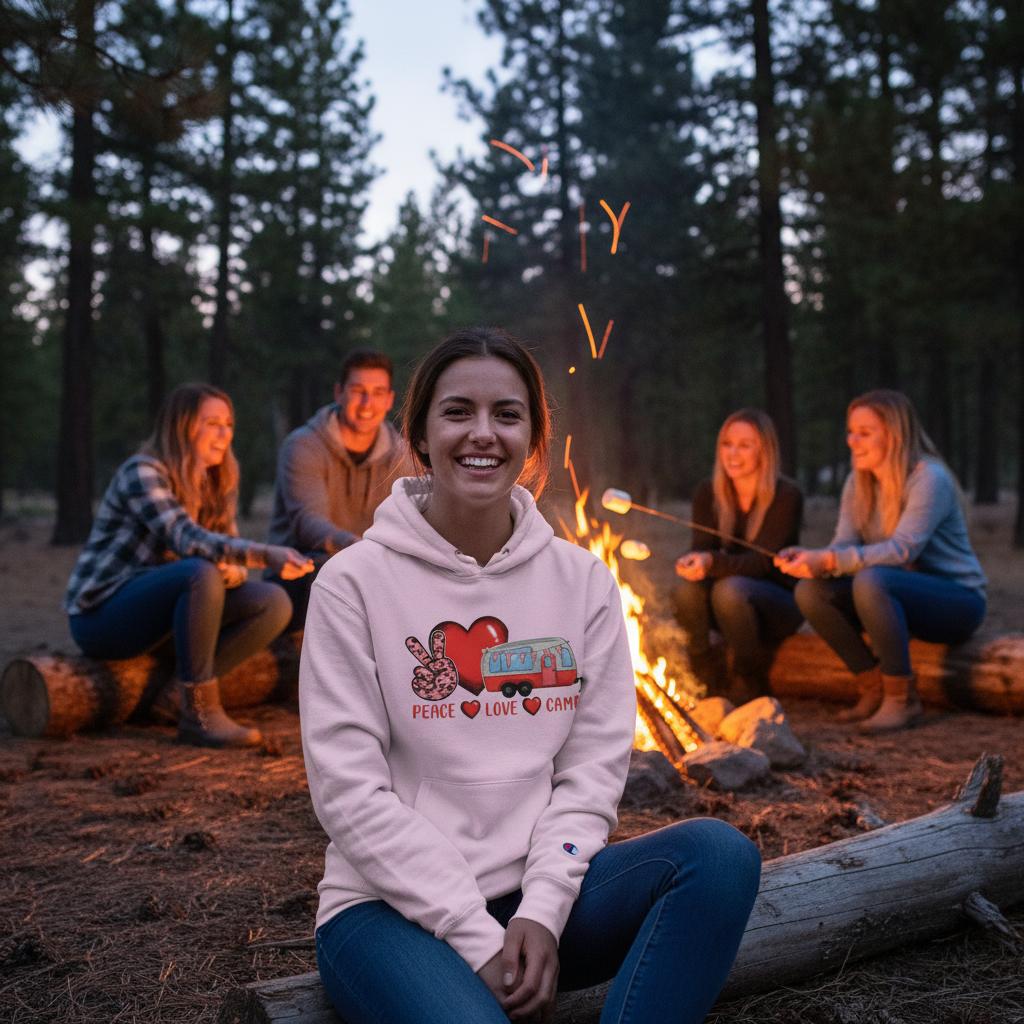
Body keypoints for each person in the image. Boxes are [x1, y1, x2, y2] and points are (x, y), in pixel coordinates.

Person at [300, 327, 760, 1024]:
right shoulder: (353, 585)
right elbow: (349, 795)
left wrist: (543, 911)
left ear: (534, 437)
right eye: (457, 411)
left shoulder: (581, 583)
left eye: (506, 414)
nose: (482, 434)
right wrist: (475, 934)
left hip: (543, 898)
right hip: (387, 911)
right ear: (420, 434)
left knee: (718, 858)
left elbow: (591, 774)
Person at [64, 383, 313, 748]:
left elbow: (229, 563)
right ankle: (199, 715)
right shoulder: (143, 472)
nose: (223, 433)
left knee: (273, 601)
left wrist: (225, 568)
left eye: (228, 424)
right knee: (199, 571)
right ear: (181, 426)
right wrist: (260, 554)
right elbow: (186, 539)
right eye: (211, 422)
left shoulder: (219, 478)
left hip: (170, 617)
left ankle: (173, 697)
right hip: (103, 615)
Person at [775, 390, 986, 733]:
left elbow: (903, 551)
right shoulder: (857, 481)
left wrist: (829, 559)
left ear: (895, 434)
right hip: (893, 595)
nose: (852, 441)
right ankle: (872, 687)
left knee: (873, 579)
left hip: (956, 602)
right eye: (850, 431)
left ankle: (902, 700)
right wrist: (812, 560)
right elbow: (843, 545)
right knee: (811, 591)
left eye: (865, 432)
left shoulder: (928, 478)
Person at [267, 349, 410, 630]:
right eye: (358, 390)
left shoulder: (401, 456)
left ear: (389, 400)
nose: (367, 402)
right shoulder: (304, 446)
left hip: (370, 569)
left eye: (378, 392)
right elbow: (307, 523)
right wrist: (359, 549)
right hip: (298, 571)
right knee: (332, 569)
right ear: (339, 393)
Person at [671, 409, 803, 704]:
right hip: (725, 601)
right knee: (685, 592)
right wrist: (693, 561)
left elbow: (762, 563)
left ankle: (750, 682)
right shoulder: (708, 492)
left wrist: (711, 562)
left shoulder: (786, 495)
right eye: (727, 444)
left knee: (729, 590)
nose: (733, 454)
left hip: (776, 603)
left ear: (765, 450)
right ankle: (705, 679)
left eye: (745, 445)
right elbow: (702, 546)